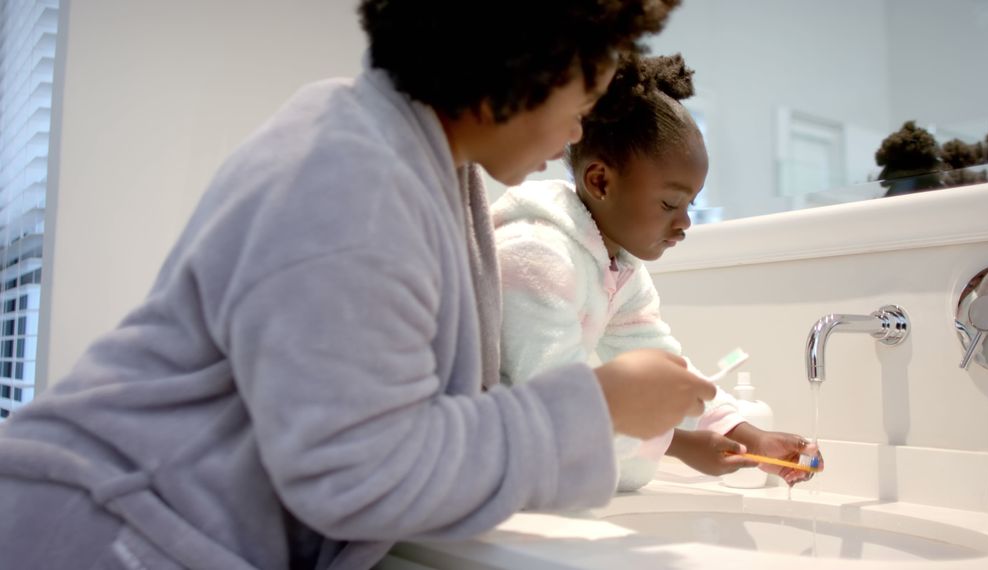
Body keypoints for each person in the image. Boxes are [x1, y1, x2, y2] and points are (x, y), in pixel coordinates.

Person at [0, 2, 718, 568]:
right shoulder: (354, 173)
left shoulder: (420, 169)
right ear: (523, 53)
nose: (577, 130)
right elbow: (359, 471)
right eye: (584, 92)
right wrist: (594, 407)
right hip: (95, 538)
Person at [493, 53, 822, 492]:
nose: (684, 221)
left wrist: (749, 436)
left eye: (691, 204)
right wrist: (681, 445)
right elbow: (561, 406)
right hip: (481, 472)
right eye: (669, 204)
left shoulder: (619, 266)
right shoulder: (535, 256)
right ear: (601, 182)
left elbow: (670, 378)